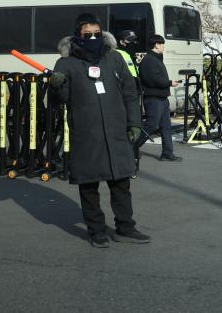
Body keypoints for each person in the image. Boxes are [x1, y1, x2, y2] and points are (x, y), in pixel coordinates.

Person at [48, 13, 150, 248]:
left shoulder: (113, 59)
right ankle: (96, 230)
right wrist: (56, 86)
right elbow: (59, 100)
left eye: (96, 34)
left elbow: (130, 94)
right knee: (89, 184)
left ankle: (126, 228)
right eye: (87, 35)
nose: (93, 38)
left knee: (121, 183)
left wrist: (134, 123)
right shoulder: (66, 62)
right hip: (87, 134)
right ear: (78, 35)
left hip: (116, 132)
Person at [135, 35, 182, 162]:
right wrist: (169, 83)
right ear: (156, 45)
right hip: (153, 99)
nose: (163, 46)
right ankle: (131, 148)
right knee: (151, 125)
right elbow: (153, 80)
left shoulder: (155, 58)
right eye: (162, 44)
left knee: (166, 126)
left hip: (161, 98)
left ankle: (167, 153)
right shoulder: (149, 60)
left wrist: (168, 83)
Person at [116, 30, 142, 177]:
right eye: (129, 40)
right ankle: (129, 162)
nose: (132, 43)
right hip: (125, 95)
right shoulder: (119, 54)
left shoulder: (129, 54)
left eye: (134, 40)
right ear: (121, 41)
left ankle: (132, 160)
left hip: (132, 93)